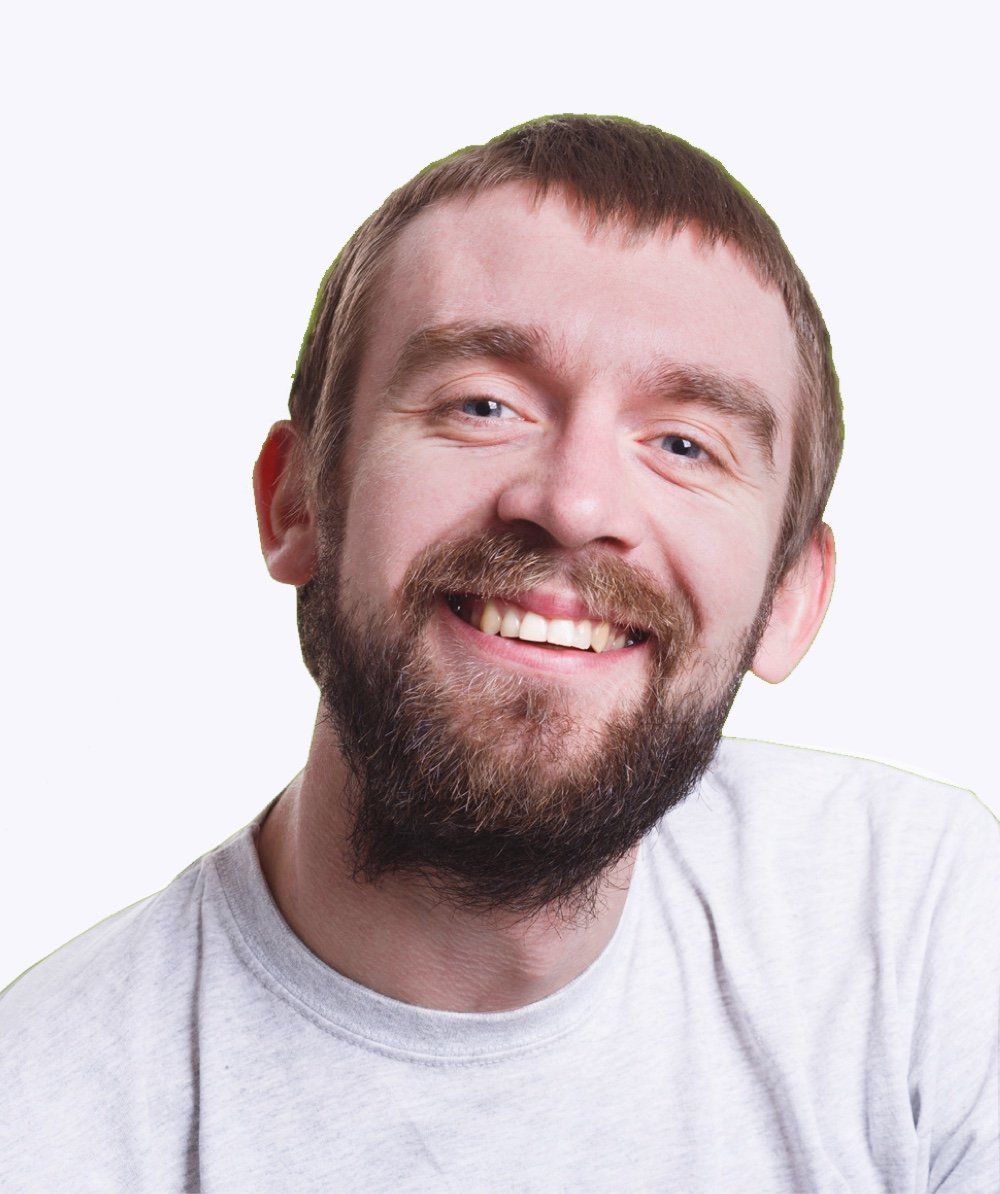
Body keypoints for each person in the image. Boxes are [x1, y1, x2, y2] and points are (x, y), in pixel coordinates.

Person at [2, 114, 997, 1192]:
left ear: (790, 599)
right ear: (295, 502)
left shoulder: (916, 919)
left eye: (682, 444)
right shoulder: (47, 1120)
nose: (573, 505)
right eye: (482, 404)